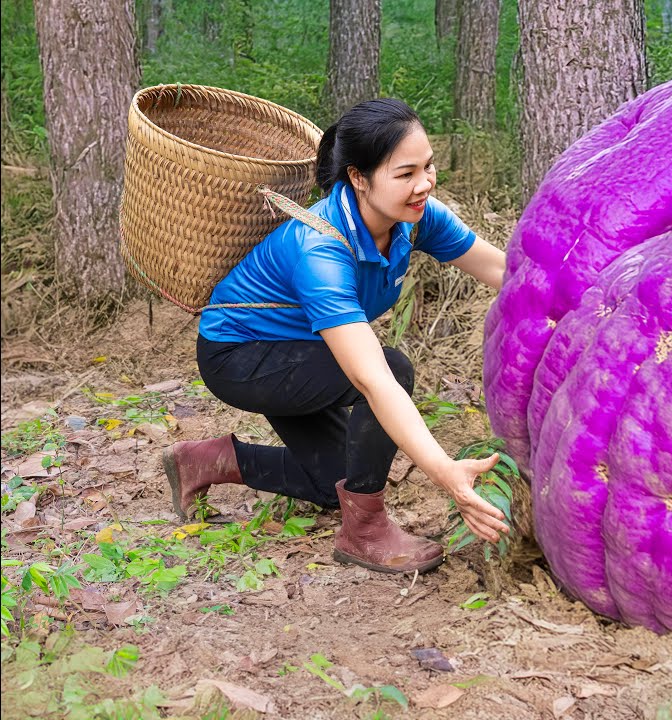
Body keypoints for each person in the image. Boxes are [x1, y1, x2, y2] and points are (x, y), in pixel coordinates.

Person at [163, 98, 509, 574]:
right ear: (358, 178)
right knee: (392, 368)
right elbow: (372, 380)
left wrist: (588, 302)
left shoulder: (416, 217)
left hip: (301, 347)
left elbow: (499, 268)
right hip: (241, 356)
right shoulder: (322, 250)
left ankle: (209, 461)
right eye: (405, 173)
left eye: (428, 167)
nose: (425, 184)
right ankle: (364, 533)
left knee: (335, 483)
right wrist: (445, 473)